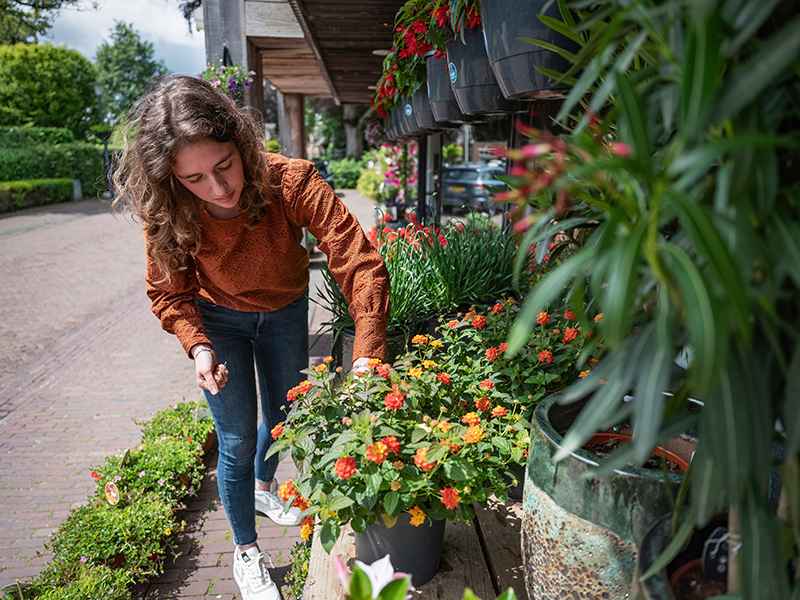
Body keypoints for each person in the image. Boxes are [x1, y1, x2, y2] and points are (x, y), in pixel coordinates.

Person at [112, 74, 390, 600]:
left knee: (285, 417)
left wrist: (367, 355)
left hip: (285, 310)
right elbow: (169, 293)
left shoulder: (290, 181)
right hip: (219, 322)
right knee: (237, 439)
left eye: (224, 166)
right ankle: (245, 550)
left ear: (240, 143)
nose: (218, 189)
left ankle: (264, 490)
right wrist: (198, 347)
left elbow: (358, 260)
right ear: (171, 179)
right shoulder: (168, 211)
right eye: (195, 179)